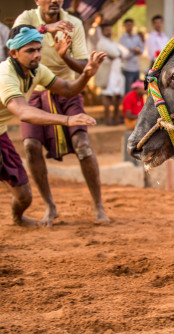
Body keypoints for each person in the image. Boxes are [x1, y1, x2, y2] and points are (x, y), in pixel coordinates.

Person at [14, 0, 110, 225]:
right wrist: (44, 29)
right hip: (35, 92)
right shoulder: (26, 19)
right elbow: (13, 39)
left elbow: (83, 67)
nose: (55, 0)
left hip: (67, 89)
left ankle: (98, 205)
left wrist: (64, 56)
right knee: (30, 146)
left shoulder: (73, 22)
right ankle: (50, 205)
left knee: (83, 145)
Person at [95, 23, 125, 126]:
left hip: (117, 71)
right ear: (103, 31)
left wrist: (118, 54)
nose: (109, 31)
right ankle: (107, 120)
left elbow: (122, 54)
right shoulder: (102, 42)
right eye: (106, 29)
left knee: (118, 95)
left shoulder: (112, 42)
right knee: (107, 95)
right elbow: (116, 54)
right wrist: (118, 54)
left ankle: (115, 118)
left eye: (109, 29)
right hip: (108, 72)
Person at [119, 18, 143, 94]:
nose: (129, 27)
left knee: (137, 90)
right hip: (127, 68)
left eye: (131, 25)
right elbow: (123, 54)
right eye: (128, 25)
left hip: (136, 67)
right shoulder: (122, 39)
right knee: (128, 90)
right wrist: (134, 52)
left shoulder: (137, 37)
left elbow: (141, 50)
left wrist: (132, 51)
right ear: (124, 26)